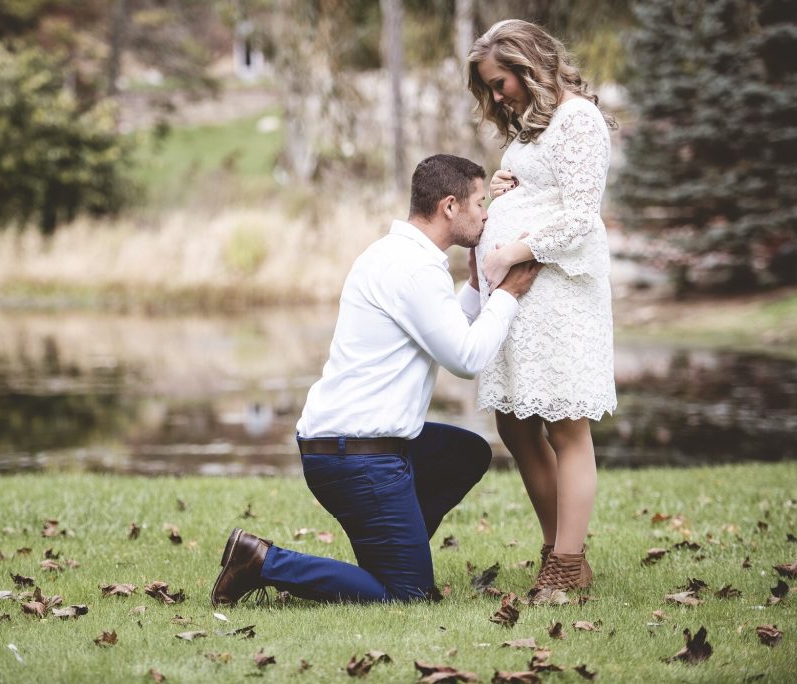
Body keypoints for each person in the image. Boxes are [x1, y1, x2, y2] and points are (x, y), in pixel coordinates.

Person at [210, 154, 542, 606]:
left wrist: (473, 285)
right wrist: (507, 294)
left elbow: (442, 335)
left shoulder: (395, 255)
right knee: (407, 596)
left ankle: (390, 551)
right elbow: (466, 357)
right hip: (356, 458)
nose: (486, 214)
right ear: (450, 206)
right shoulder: (413, 269)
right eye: (480, 203)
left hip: (353, 444)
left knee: (465, 453)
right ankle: (262, 561)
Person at [466, 19, 618, 600]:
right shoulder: (532, 125)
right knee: (515, 422)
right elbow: (542, 189)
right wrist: (503, 188)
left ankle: (564, 562)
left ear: (528, 66)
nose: (497, 96)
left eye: (500, 82)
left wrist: (511, 250)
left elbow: (580, 214)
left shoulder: (579, 120)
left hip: (557, 289)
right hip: (524, 295)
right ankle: (561, 552)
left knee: (564, 425)